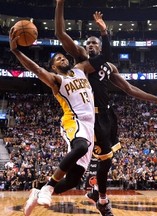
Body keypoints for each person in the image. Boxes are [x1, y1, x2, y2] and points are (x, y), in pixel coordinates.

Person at [54, 1, 157, 215]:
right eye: (88, 43)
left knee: (107, 161)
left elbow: (129, 88)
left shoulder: (109, 66)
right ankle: (99, 198)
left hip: (107, 117)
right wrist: (60, 5)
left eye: (94, 43)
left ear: (101, 47)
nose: (91, 46)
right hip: (88, 118)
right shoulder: (81, 59)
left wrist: (156, 100)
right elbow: (61, 34)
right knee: (92, 164)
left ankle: (97, 195)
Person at [9, 26, 108, 216]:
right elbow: (36, 69)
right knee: (80, 147)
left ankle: (37, 192)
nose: (63, 58)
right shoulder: (56, 80)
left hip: (89, 125)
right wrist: (16, 50)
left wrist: (104, 34)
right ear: (53, 67)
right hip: (73, 121)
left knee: (73, 179)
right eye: (58, 59)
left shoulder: (81, 69)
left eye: (63, 57)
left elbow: (102, 58)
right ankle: (48, 187)